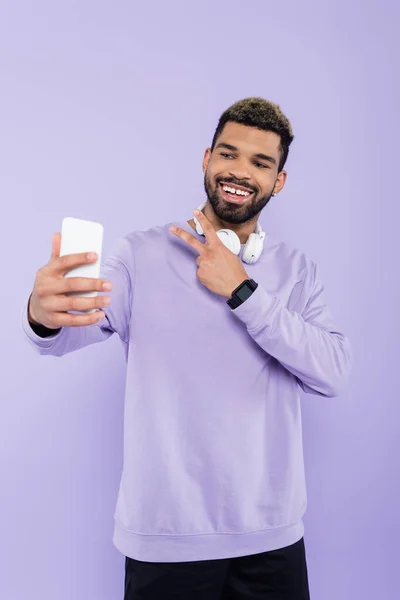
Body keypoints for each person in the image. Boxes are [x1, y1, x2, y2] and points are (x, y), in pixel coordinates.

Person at [23, 97, 352, 599]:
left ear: (278, 181)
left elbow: (332, 372)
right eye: (228, 154)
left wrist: (244, 291)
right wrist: (42, 316)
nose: (240, 171)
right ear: (206, 159)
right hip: (165, 541)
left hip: (272, 539)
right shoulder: (141, 254)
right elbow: (71, 331)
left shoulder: (298, 270)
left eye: (261, 163)